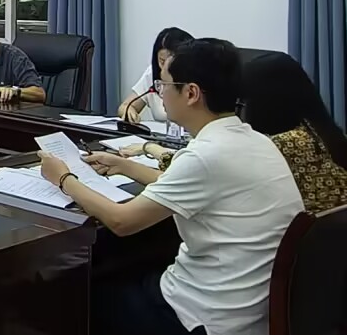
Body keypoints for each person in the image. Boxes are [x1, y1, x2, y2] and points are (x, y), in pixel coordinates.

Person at [38, 39, 303, 335]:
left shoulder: (206, 155)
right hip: (264, 318)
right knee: (136, 270)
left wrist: (64, 178)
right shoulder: (253, 140)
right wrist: (124, 165)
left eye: (163, 84)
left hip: (217, 327)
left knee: (89, 296)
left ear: (191, 93)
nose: (158, 92)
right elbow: (191, 184)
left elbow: (122, 221)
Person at [127, 50, 347, 213]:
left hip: (293, 253)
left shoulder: (277, 145)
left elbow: (196, 174)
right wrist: (151, 148)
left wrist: (136, 158)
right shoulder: (318, 133)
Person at [117, 27, 194, 123]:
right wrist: (129, 111)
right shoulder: (152, 74)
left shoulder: (195, 77)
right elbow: (125, 106)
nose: (165, 67)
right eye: (162, 61)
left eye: (171, 62)